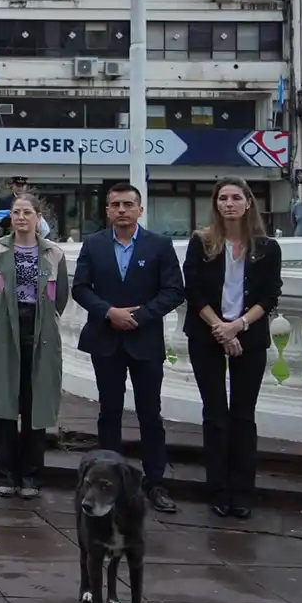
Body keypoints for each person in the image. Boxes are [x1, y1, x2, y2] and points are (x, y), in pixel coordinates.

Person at [72, 181, 186, 513]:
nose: (121, 210)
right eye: (115, 205)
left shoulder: (159, 245)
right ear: (107, 210)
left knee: (150, 413)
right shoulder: (93, 245)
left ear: (140, 208)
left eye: (127, 204)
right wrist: (109, 312)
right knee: (109, 412)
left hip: (144, 340)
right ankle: (108, 482)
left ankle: (154, 482)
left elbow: (174, 290)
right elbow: (80, 288)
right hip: (105, 340)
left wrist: (141, 316)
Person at [182, 177, 282, 520]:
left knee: (242, 414)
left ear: (248, 202)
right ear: (216, 203)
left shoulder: (267, 247)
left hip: (249, 336)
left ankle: (242, 492)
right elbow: (193, 291)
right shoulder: (202, 242)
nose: (228, 203)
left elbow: (270, 296)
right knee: (215, 413)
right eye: (222, 197)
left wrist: (238, 326)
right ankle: (218, 490)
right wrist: (220, 329)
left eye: (235, 197)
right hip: (207, 333)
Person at [0, 192, 70, 499]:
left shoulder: (53, 253)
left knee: (36, 404)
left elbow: (61, 298)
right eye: (16, 212)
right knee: (5, 405)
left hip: (40, 326)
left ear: (37, 217)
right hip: (6, 326)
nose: (20, 217)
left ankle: (31, 475)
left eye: (26, 212)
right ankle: (6, 473)